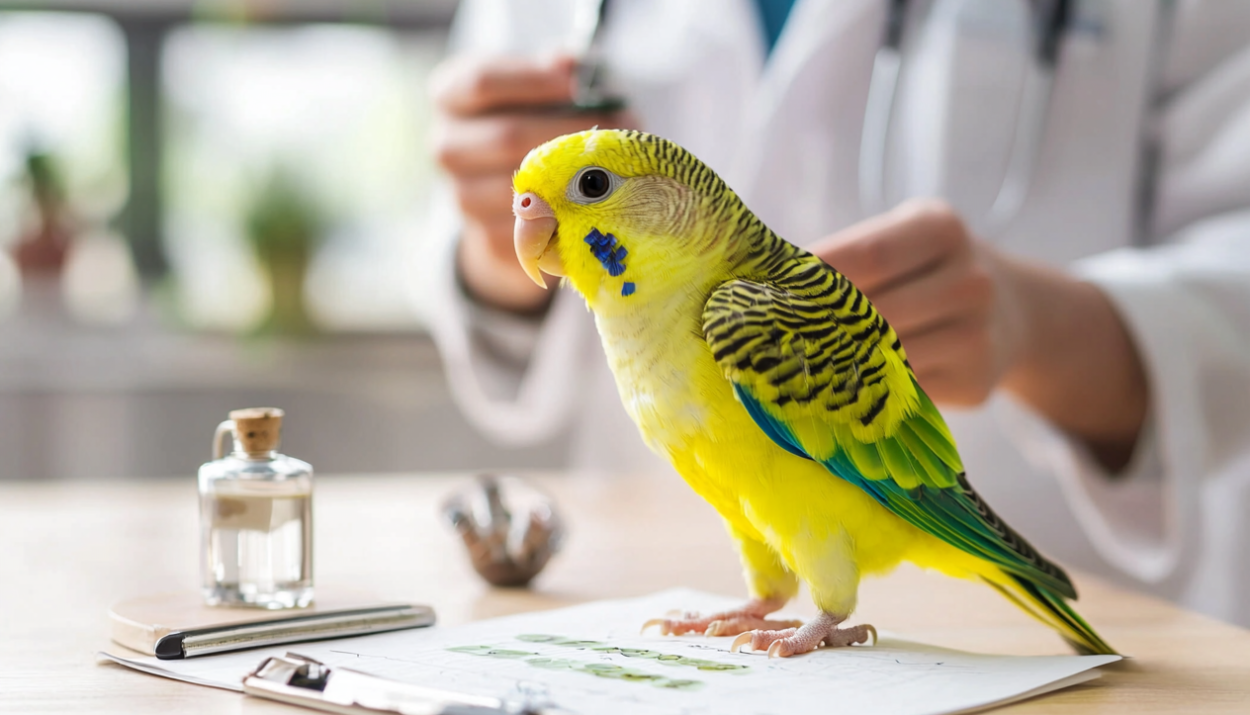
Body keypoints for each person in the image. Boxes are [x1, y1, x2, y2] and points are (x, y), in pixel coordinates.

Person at [415, 0, 1250, 627]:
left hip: (1101, 593)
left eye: (590, 190)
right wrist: (497, 242)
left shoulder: (743, 321)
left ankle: (824, 607)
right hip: (629, 563)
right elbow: (464, 236)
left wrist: (1046, 326)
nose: (545, 214)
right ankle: (768, 593)